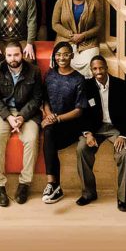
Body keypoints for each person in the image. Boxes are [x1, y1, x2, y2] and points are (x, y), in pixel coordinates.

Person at [78, 55, 126, 211]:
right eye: (95, 69)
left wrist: (124, 135)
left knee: (124, 153)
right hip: (95, 129)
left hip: (116, 129)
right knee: (81, 149)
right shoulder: (86, 86)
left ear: (106, 68)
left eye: (101, 68)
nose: (98, 71)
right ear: (91, 71)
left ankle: (122, 198)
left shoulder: (121, 85)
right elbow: (82, 113)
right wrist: (87, 133)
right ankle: (89, 193)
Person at [0, 42, 43, 206]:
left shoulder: (34, 71)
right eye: (9, 55)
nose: (13, 58)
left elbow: (37, 99)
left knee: (31, 139)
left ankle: (24, 183)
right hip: (2, 112)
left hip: (26, 112)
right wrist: (8, 117)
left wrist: (21, 116)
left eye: (16, 55)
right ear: (5, 56)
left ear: (22, 55)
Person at [41, 41, 88, 204]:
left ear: (72, 56)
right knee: (49, 132)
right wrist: (49, 116)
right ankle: (52, 184)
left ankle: (54, 186)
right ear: (54, 56)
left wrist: (57, 118)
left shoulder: (79, 79)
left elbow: (79, 110)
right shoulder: (50, 74)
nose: (62, 58)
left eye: (66, 54)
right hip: (52, 122)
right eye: (58, 55)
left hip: (71, 124)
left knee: (49, 134)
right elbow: (45, 101)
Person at [52, 0, 103, 77]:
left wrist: (83, 35)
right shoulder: (61, 1)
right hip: (65, 39)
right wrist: (70, 35)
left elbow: (98, 26)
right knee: (63, 60)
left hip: (88, 42)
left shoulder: (94, 3)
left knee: (89, 63)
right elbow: (55, 24)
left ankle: (85, 86)